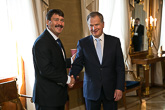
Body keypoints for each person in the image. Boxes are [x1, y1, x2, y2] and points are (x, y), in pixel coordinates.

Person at [69, 12, 125, 110]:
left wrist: (119, 87)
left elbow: (120, 67)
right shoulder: (83, 43)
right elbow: (78, 64)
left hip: (111, 90)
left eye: (97, 24)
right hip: (91, 90)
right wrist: (72, 76)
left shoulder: (114, 42)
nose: (94, 28)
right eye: (91, 25)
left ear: (103, 24)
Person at [32, 9, 75, 110]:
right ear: (48, 22)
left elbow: (57, 63)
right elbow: (46, 70)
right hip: (47, 99)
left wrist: (72, 60)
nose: (60, 23)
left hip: (57, 97)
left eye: (62, 20)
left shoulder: (55, 40)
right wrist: (68, 79)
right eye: (56, 20)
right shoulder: (41, 42)